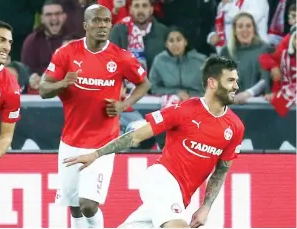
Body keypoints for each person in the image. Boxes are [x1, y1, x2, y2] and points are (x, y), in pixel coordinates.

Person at [64, 55, 245, 228]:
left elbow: (221, 171)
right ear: (212, 83)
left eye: (236, 80)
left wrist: (206, 207)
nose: (236, 86)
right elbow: (136, 136)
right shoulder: (184, 110)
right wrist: (96, 154)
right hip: (162, 179)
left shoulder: (235, 126)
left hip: (181, 196)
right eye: (230, 80)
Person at [39, 4, 150, 229]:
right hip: (71, 140)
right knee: (74, 206)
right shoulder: (67, 53)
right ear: (85, 25)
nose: (102, 25)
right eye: (97, 21)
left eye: (106, 21)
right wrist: (63, 83)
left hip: (102, 142)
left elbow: (144, 83)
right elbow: (43, 89)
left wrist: (124, 104)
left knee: (88, 204)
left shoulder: (121, 57)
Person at [0, 19, 21, 166]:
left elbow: (6, 136)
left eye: (9, 42)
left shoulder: (11, 86)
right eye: (1, 40)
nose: (7, 47)